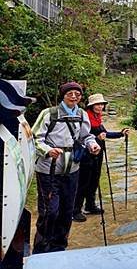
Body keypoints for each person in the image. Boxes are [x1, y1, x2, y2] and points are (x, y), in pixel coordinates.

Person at [31, 82, 101, 254]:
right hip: (49, 170)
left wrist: (92, 144)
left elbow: (86, 136)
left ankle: (59, 246)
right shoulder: (49, 114)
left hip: (72, 169)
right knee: (50, 211)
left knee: (67, 210)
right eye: (70, 93)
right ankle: (42, 249)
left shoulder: (81, 114)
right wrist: (47, 150)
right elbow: (34, 137)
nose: (74, 96)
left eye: (77, 93)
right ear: (63, 95)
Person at [72, 93, 129, 222]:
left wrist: (120, 133)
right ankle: (75, 210)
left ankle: (90, 205)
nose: (100, 106)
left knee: (94, 180)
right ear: (91, 105)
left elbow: (104, 134)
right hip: (87, 154)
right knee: (83, 182)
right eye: (97, 104)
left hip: (98, 154)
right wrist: (96, 139)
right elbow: (82, 137)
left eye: (102, 104)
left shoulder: (97, 118)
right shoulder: (85, 117)